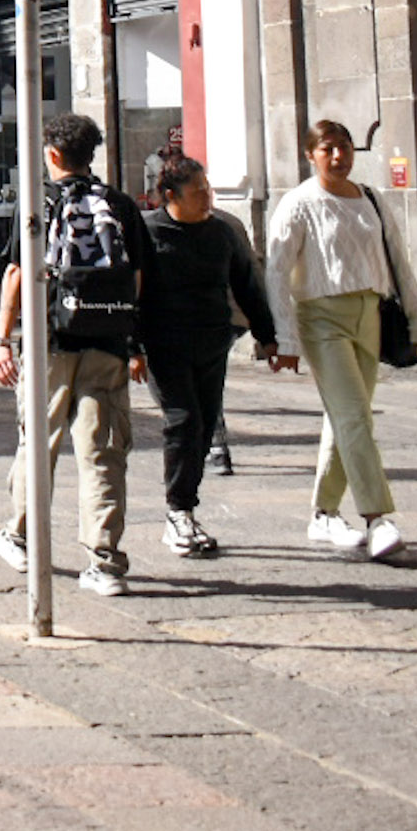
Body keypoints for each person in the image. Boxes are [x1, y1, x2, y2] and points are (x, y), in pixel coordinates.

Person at [0, 113, 154, 597]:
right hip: (107, 342)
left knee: (38, 442)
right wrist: (132, 340)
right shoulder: (121, 205)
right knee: (102, 451)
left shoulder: (40, 202)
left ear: (53, 155)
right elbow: (137, 279)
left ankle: (20, 536)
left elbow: (17, 274)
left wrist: (2, 340)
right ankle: (105, 562)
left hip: (51, 343)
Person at [265, 119, 417, 560]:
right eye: (328, 149)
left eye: (344, 147)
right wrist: (285, 338)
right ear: (310, 155)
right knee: (354, 415)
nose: (338, 157)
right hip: (321, 318)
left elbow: (398, 259)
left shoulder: (370, 199)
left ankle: (324, 513)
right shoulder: (298, 204)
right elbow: (277, 272)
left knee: (348, 416)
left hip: (370, 314)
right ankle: (378, 518)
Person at [140, 155, 287, 557]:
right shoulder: (146, 233)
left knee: (204, 430)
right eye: (198, 190)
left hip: (211, 343)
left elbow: (247, 284)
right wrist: (131, 347)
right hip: (164, 345)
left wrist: (268, 337)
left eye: (208, 188)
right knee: (183, 422)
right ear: (170, 195)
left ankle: (185, 505)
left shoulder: (222, 232)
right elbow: (131, 292)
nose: (207, 197)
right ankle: (179, 513)